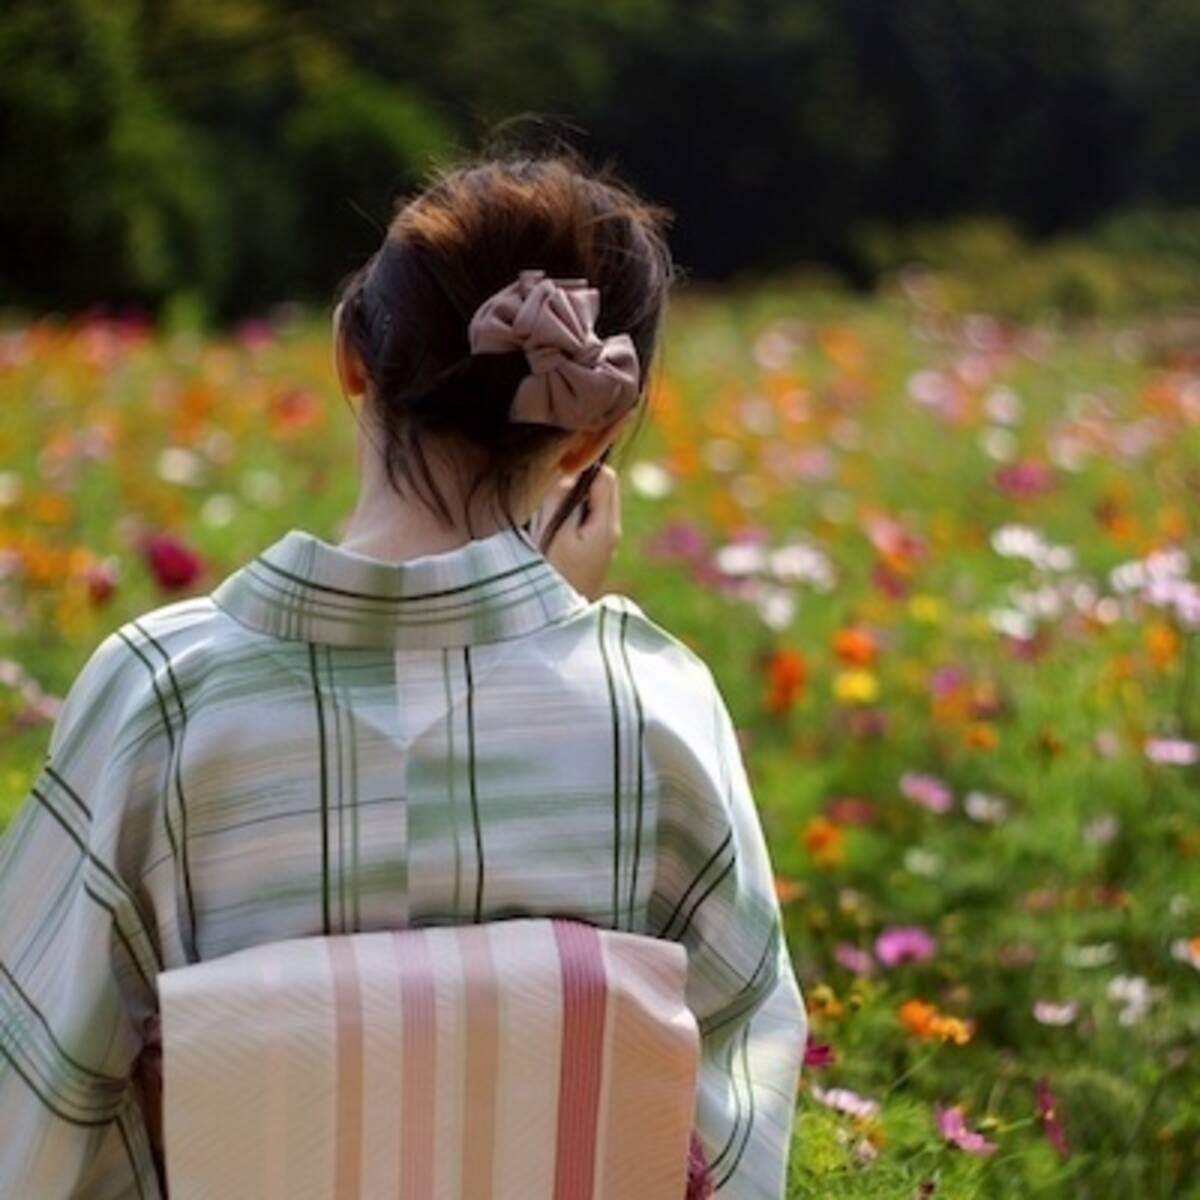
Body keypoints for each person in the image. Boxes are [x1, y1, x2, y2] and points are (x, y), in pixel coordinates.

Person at [0, 144, 807, 1198]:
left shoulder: (162, 696)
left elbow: (40, 1101)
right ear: (593, 435)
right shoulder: (654, 709)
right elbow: (734, 1096)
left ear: (351, 359)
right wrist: (547, 619)